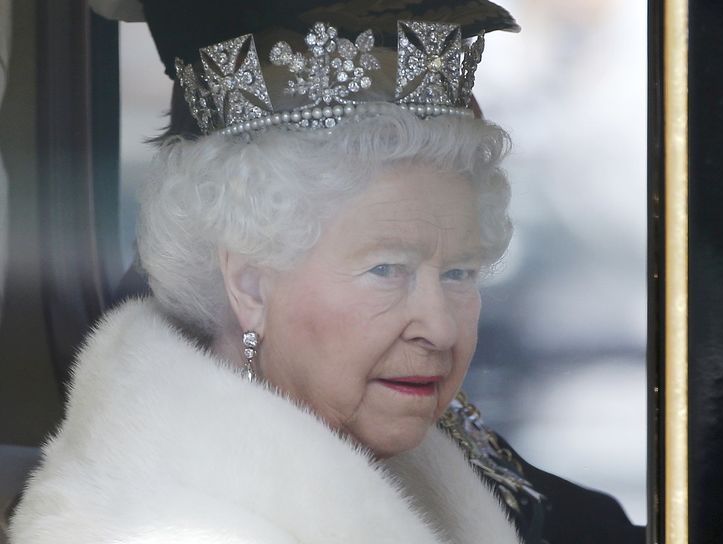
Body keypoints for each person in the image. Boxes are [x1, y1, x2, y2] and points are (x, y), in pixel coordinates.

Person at [9, 2, 644, 543]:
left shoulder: (481, 484)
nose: (441, 328)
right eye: (386, 269)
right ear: (250, 284)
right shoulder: (164, 524)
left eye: (460, 273)